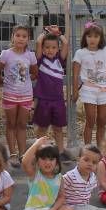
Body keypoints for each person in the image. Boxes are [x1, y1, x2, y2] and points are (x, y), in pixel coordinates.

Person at [0, 24, 38, 168]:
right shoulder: (6, 54)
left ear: (28, 39)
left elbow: (34, 73)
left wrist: (24, 80)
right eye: (18, 35)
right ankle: (12, 154)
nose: (20, 39)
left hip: (26, 95)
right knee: (11, 124)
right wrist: (5, 82)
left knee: (22, 125)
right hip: (10, 95)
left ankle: (22, 154)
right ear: (12, 37)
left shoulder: (30, 55)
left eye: (24, 36)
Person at [20, 137, 76, 210]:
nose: (47, 162)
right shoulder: (35, 174)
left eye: (51, 159)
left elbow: (61, 197)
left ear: (57, 161)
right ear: (37, 161)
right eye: (44, 159)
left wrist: (54, 208)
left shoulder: (59, 178)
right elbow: (25, 162)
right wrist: (36, 144)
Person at [73, 22, 106, 146]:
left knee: (102, 120)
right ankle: (88, 148)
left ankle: (100, 149)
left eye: (96, 36)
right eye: (89, 36)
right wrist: (75, 91)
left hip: (104, 89)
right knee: (90, 119)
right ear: (85, 37)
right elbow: (75, 74)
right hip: (88, 90)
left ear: (100, 38)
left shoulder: (104, 51)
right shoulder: (80, 53)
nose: (92, 39)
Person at [33, 26, 70, 162]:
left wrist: (57, 33)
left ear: (57, 49)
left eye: (53, 47)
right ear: (43, 49)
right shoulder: (40, 59)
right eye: (47, 47)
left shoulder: (60, 59)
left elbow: (65, 43)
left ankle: (60, 151)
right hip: (43, 100)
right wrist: (45, 33)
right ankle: (38, 150)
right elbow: (38, 42)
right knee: (42, 127)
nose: (50, 50)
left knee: (58, 128)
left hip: (58, 99)